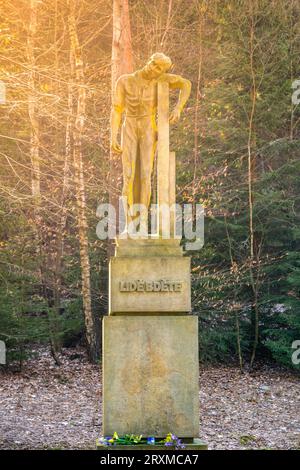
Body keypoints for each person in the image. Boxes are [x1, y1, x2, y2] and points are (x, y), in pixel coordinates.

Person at [110, 52, 191, 231]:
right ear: (149, 60)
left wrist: (178, 108)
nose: (153, 68)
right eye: (153, 63)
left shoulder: (161, 80)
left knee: (146, 175)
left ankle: (142, 222)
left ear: (161, 71)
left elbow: (186, 84)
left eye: (158, 68)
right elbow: (116, 109)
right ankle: (129, 224)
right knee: (128, 176)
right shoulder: (124, 80)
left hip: (148, 126)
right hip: (129, 124)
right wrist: (113, 135)